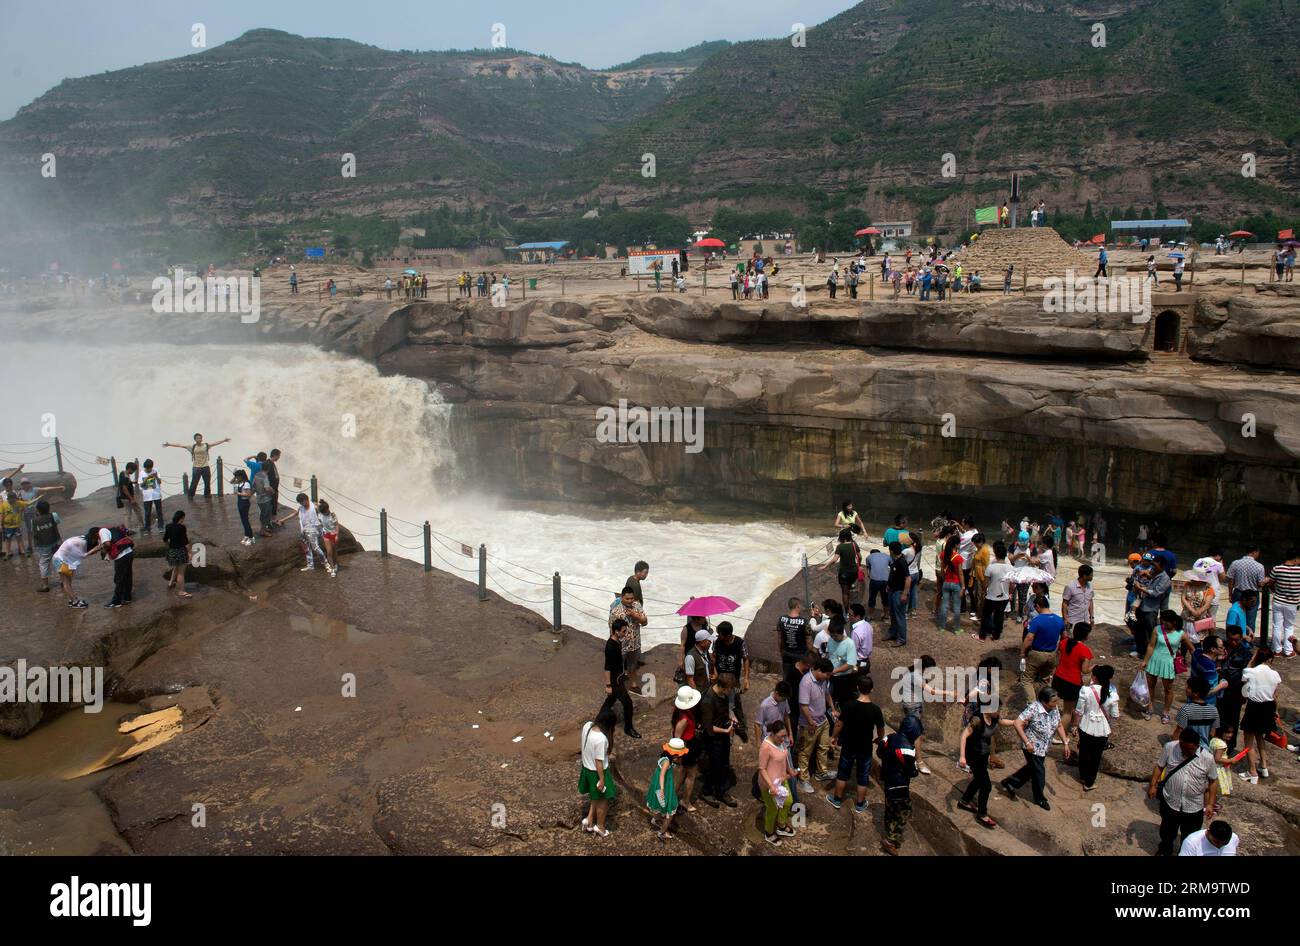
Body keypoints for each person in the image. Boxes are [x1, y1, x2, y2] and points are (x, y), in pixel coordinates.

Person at [1149, 729, 1217, 856]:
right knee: (1167, 831)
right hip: (1170, 801)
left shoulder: (1207, 758)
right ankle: (1165, 850)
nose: (1185, 752)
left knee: (1189, 837)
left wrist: (1210, 804)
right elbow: (1159, 766)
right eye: (1183, 748)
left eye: (1189, 749)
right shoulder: (1170, 748)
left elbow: (1213, 781)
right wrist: (1153, 785)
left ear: (1197, 746)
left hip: (1193, 806)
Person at [1001, 687, 1070, 810]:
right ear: (1043, 701)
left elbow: (1058, 724)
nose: (1056, 704)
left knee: (1032, 768)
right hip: (1032, 746)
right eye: (1053, 702)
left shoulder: (1054, 709)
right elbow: (1017, 723)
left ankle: (1010, 782)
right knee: (1039, 772)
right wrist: (1027, 742)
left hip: (1044, 747)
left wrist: (1065, 742)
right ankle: (1039, 798)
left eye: (1056, 701)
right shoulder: (1033, 709)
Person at [826, 674, 884, 812]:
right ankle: (860, 803)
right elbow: (881, 729)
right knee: (863, 775)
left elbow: (839, 724)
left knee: (843, 772)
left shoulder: (848, 706)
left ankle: (837, 799)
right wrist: (879, 739)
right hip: (865, 745)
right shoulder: (875, 709)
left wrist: (833, 737)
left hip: (848, 743)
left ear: (857, 688)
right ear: (872, 689)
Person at [957, 688, 1002, 827]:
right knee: (986, 786)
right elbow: (964, 736)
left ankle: (964, 801)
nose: (999, 712)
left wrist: (1017, 723)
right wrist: (962, 757)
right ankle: (982, 814)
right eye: (997, 709)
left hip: (983, 755)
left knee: (978, 779)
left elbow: (1003, 721)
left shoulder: (993, 717)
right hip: (974, 756)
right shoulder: (977, 719)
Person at [878, 714, 921, 855]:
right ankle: (891, 841)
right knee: (903, 812)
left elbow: (879, 751)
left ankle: (889, 830)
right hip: (900, 785)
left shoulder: (888, 738)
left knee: (890, 808)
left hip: (887, 779)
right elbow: (913, 771)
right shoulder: (908, 749)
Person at [1238, 647, 1280, 784]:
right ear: (1270, 659)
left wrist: (1252, 660)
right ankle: (1264, 766)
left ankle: (1252, 771)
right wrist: (1276, 710)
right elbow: (1275, 695)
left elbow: (1244, 683)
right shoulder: (1275, 674)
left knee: (1248, 739)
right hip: (1268, 706)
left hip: (1255, 706)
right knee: (1260, 736)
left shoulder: (1250, 671)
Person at [699, 673, 739, 808]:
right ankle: (707, 791)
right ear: (723, 687)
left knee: (724, 764)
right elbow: (707, 726)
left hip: (723, 735)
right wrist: (725, 731)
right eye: (730, 688)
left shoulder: (723, 695)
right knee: (713, 766)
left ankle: (721, 791)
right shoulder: (708, 700)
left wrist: (731, 717)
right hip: (713, 739)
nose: (731, 691)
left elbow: (725, 710)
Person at [1075, 665, 1119, 790]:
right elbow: (1115, 715)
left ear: (1094, 677)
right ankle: (1089, 782)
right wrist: (1110, 727)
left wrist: (1075, 725)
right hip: (1102, 730)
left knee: (1084, 752)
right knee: (1096, 757)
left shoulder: (1086, 690)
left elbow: (1079, 711)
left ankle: (1083, 776)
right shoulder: (1112, 695)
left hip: (1085, 726)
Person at [796, 658, 836, 792]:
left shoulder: (822, 680)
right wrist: (810, 721)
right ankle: (803, 779)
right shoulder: (806, 682)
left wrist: (832, 709)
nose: (828, 677)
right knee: (805, 752)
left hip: (823, 720)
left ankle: (821, 772)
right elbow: (803, 705)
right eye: (827, 674)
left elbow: (827, 694)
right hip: (810, 724)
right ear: (819, 670)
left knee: (823, 747)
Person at [1141, 610, 1187, 724]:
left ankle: (1165, 712)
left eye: (1167, 623)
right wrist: (1145, 661)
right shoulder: (1157, 629)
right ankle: (1150, 708)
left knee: (1168, 689)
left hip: (1168, 663)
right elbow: (1151, 646)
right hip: (1154, 661)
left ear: (1174, 622)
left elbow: (1191, 647)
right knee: (1150, 686)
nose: (1164, 625)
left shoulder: (1181, 634)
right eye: (1163, 622)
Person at [758, 720, 799, 845]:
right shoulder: (766, 747)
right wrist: (771, 785)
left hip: (781, 780)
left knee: (788, 802)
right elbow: (762, 768)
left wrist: (790, 770)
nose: (784, 739)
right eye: (781, 736)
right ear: (773, 734)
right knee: (772, 808)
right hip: (769, 784)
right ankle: (769, 832)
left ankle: (781, 825)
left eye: (785, 736)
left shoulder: (781, 742)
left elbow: (784, 757)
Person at [1019, 595, 1065, 706]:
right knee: (1045, 680)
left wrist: (1022, 653)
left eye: (1035, 608)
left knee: (1026, 679)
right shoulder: (1059, 620)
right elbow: (1064, 637)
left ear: (1038, 606)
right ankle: (1046, 703)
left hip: (1037, 653)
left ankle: (1032, 705)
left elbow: (1029, 638)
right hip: (1052, 654)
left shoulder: (1037, 620)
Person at [579, 710, 617, 837]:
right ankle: (600, 827)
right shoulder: (601, 739)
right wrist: (602, 780)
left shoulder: (587, 726)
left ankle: (589, 820)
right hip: (597, 772)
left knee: (595, 796)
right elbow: (599, 762)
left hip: (586, 768)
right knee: (603, 800)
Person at [601, 617, 641, 739]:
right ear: (616, 631)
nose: (625, 633)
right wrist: (608, 685)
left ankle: (599, 720)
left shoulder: (617, 641)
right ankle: (628, 728)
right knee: (627, 703)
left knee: (611, 700)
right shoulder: (610, 647)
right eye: (624, 631)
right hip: (615, 681)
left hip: (619, 677)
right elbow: (607, 667)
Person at [1053, 623, 1093, 736]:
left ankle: (1072, 724)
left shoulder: (1064, 642)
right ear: (1086, 635)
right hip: (1072, 682)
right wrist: (1092, 667)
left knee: (1060, 705)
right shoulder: (1085, 650)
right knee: (1067, 712)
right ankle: (1059, 735)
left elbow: (1058, 658)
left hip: (1058, 677)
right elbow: (1084, 670)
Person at [712, 622, 749, 740]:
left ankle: (738, 727)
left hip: (733, 680)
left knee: (734, 703)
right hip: (720, 679)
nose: (718, 636)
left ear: (727, 635)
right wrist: (714, 672)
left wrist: (746, 678)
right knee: (720, 702)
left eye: (720, 634)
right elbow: (713, 657)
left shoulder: (739, 642)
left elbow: (746, 659)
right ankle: (725, 725)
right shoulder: (717, 642)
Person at [164, 433, 230, 500]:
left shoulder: (206, 445)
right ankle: (190, 495)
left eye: (200, 438)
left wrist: (224, 440)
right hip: (196, 467)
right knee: (194, 482)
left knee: (207, 482)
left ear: (202, 439)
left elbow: (215, 443)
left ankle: (207, 495)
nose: (199, 439)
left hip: (205, 466)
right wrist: (169, 444)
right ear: (195, 439)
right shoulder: (192, 447)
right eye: (197, 438)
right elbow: (180, 445)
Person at [646, 738, 688, 840]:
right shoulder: (667, 762)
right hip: (663, 786)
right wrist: (662, 789)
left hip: (657, 785)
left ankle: (655, 820)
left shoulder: (665, 757)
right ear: (676, 754)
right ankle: (662, 832)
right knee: (671, 808)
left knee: (659, 803)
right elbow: (662, 775)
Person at [1131, 555, 1171, 658]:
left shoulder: (1165, 578)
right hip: (1141, 603)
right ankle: (1140, 651)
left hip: (1151, 608)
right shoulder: (1153, 573)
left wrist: (1141, 588)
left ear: (1161, 566)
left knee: (1151, 631)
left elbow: (1156, 593)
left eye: (1155, 564)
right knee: (1139, 629)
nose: (1152, 566)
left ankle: (1153, 654)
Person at [671, 686, 703, 812]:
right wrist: (678, 756)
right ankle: (686, 801)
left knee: (684, 773)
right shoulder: (683, 719)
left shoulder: (681, 712)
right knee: (691, 775)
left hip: (689, 745)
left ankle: (674, 796)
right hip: (687, 747)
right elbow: (677, 737)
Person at [608, 586, 648, 683]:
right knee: (617, 667)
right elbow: (612, 630)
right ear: (621, 597)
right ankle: (615, 685)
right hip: (621, 645)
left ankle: (633, 685)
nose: (630, 601)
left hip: (634, 644)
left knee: (633, 667)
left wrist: (635, 615)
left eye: (631, 598)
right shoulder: (616, 612)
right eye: (627, 599)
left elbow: (645, 622)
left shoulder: (637, 606)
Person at [1266, 548, 1300, 658]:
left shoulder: (1277, 568)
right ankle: (1288, 650)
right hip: (1292, 603)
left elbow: (1271, 583)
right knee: (1288, 626)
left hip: (1278, 601)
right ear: (1295, 559)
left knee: (1277, 626)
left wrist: (1275, 590)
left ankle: (1276, 650)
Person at [1225, 546, 1266, 635]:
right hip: (1252, 595)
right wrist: (1267, 580)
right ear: (1255, 552)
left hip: (1238, 592)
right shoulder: (1259, 566)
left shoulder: (1235, 563)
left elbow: (1231, 580)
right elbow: (1260, 584)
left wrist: (1230, 594)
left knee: (1238, 615)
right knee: (1251, 618)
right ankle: (1248, 639)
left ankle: (1236, 637)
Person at [820, 527, 861, 613]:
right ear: (850, 536)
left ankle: (846, 612)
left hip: (844, 573)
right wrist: (859, 565)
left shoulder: (840, 546)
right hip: (854, 572)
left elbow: (835, 559)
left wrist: (825, 566)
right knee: (851, 588)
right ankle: (852, 607)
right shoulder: (854, 545)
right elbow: (860, 557)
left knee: (845, 593)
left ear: (841, 537)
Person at [93, 524, 134, 608]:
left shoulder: (102, 531)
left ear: (96, 533)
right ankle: (127, 598)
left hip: (121, 555)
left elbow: (107, 544)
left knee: (118, 579)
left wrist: (104, 552)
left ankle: (116, 601)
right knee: (127, 576)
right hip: (129, 552)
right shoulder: (111, 528)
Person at [1172, 676, 1219, 748]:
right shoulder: (1214, 710)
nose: (1186, 689)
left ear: (1196, 693)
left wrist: (1173, 749)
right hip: (1204, 750)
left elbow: (1178, 731)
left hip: (1187, 749)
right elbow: (1212, 733)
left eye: (1189, 688)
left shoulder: (1186, 709)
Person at [29, 499, 62, 593]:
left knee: (43, 564)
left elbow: (33, 531)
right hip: (55, 542)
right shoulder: (53, 515)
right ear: (48, 508)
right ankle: (63, 581)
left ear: (38, 510)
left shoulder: (33, 521)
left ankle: (45, 585)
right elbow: (57, 523)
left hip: (42, 546)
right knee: (59, 561)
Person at [288, 492, 327, 571]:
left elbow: (323, 512)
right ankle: (310, 565)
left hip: (313, 530)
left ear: (306, 500)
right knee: (307, 548)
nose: (302, 503)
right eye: (300, 502)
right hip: (304, 530)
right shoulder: (301, 508)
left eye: (302, 501)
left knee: (316, 548)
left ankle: (325, 563)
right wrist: (283, 520)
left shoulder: (314, 506)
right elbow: (295, 514)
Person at [824, 617, 858, 709]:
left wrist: (835, 671)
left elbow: (850, 664)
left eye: (835, 636)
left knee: (844, 702)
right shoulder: (831, 640)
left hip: (844, 678)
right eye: (831, 635)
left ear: (841, 632)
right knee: (831, 698)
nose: (833, 638)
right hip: (831, 676)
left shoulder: (849, 643)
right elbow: (829, 654)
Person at [936, 532, 964, 633]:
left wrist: (944, 580)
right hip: (956, 583)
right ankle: (956, 629)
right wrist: (963, 587)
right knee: (956, 607)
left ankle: (941, 627)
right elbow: (960, 574)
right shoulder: (958, 557)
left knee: (944, 606)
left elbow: (942, 570)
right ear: (956, 545)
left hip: (946, 582)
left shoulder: (943, 555)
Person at [885, 541, 912, 645]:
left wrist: (905, 593)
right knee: (892, 613)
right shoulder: (895, 560)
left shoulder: (901, 561)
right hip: (892, 590)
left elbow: (908, 578)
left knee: (899, 615)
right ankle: (893, 632)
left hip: (899, 591)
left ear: (891, 550)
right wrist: (888, 584)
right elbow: (893, 574)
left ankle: (901, 638)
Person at [116, 461, 143, 532]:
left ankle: (131, 528)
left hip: (126, 498)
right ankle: (131, 528)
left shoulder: (124, 474)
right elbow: (124, 488)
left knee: (132, 512)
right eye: (133, 470)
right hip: (127, 498)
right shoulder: (124, 476)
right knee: (131, 513)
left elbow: (126, 484)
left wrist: (133, 482)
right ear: (129, 469)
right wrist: (131, 499)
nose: (133, 472)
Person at [684, 629, 713, 694]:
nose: (711, 642)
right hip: (700, 692)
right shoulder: (690, 657)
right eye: (709, 640)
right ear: (702, 642)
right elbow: (690, 679)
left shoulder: (705, 651)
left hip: (708, 689)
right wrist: (696, 696)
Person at [138, 460, 163, 536]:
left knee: (159, 512)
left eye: (149, 468)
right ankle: (147, 528)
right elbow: (141, 485)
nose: (148, 470)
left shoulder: (156, 471)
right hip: (147, 496)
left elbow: (159, 482)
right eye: (147, 468)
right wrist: (147, 478)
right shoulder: (142, 473)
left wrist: (155, 476)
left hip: (156, 494)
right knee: (147, 513)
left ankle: (161, 527)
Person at [317, 500, 340, 577]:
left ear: (328, 509)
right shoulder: (320, 514)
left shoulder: (332, 515)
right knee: (329, 552)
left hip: (333, 534)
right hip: (326, 535)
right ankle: (332, 568)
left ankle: (336, 564)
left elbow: (336, 525)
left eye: (326, 512)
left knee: (334, 551)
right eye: (324, 512)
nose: (325, 513)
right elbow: (316, 508)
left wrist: (336, 535)